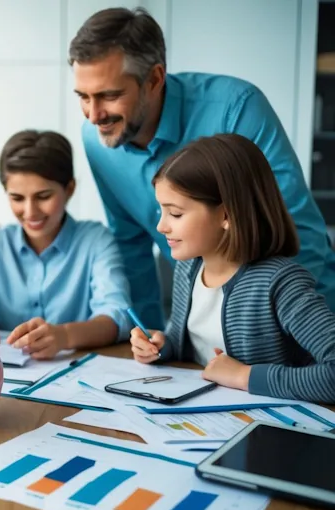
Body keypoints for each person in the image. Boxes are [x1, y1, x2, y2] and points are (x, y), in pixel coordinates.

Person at [70, 7, 335, 330]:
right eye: (83, 96)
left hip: (296, 316)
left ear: (154, 79)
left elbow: (297, 230)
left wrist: (268, 332)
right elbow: (130, 245)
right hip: (202, 326)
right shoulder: (97, 139)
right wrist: (151, 341)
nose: (93, 114)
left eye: (109, 95)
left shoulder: (237, 108)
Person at [131, 134, 335, 404]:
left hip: (267, 431)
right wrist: (161, 346)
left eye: (176, 213)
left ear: (226, 215)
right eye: (161, 212)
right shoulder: (188, 268)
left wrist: (244, 376)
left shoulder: (282, 284)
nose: (162, 226)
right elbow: (193, 350)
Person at [0, 130, 131, 359]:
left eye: (43, 196)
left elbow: (117, 315)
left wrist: (64, 336)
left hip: (74, 374)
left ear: (69, 189)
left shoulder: (96, 240)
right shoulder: (1, 242)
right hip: (8, 380)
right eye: (17, 198)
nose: (30, 212)